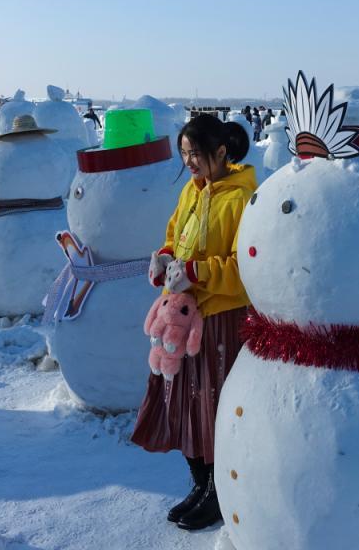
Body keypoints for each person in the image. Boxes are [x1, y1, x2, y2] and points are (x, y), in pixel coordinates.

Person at [131, 114, 256, 531]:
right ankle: (200, 484)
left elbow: (246, 266)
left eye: (196, 154)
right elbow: (175, 234)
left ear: (221, 152)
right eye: (183, 154)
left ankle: (222, 493)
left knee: (214, 408)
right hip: (181, 317)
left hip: (220, 319)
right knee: (184, 404)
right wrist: (164, 259)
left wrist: (199, 273)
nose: (189, 162)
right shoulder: (191, 189)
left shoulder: (243, 197)